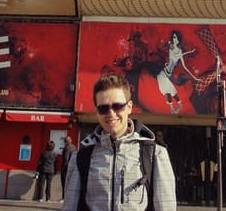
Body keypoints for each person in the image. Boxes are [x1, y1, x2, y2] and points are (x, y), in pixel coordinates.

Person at [62, 73, 177, 211]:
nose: (111, 113)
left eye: (117, 106)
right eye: (103, 108)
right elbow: (70, 206)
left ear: (129, 107)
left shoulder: (155, 155)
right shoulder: (80, 158)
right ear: (96, 112)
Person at [156, 30, 198, 114]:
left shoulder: (179, 51)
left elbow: (185, 66)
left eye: (175, 37)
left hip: (167, 74)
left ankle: (177, 106)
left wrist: (194, 77)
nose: (174, 39)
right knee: (168, 90)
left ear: (178, 39)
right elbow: (166, 47)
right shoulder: (171, 48)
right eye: (173, 37)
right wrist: (166, 44)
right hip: (163, 73)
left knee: (171, 90)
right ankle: (173, 108)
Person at [59, 135, 77, 202]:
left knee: (64, 183)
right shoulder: (74, 147)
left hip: (66, 168)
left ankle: (64, 197)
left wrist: (63, 168)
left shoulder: (66, 148)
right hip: (73, 167)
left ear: (65, 142)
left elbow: (66, 159)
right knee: (70, 183)